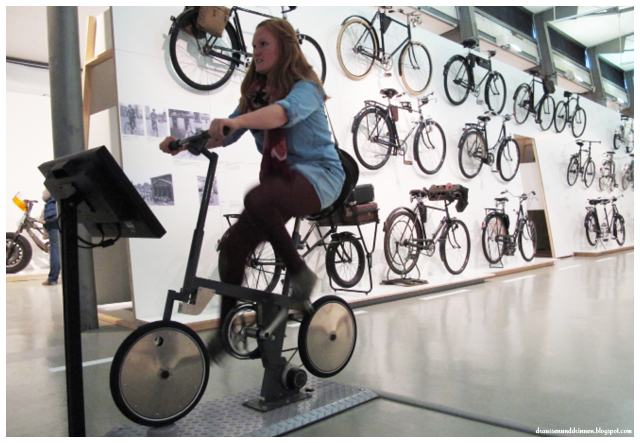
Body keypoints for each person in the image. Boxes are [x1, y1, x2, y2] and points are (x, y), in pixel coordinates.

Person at [160, 18, 345, 363]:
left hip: (321, 176)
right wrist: (183, 143)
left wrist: (239, 119)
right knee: (233, 247)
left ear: (284, 48)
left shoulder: (306, 88)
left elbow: (281, 115)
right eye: (254, 45)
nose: (255, 51)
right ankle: (225, 328)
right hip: (283, 182)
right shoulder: (255, 95)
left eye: (263, 44)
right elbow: (226, 134)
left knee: (257, 197)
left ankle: (300, 273)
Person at [42, 189, 61, 286]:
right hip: (62, 215)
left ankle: (52, 279)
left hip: (53, 218)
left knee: (55, 249)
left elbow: (45, 196)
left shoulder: (51, 184)